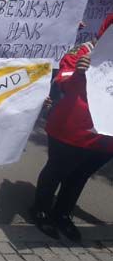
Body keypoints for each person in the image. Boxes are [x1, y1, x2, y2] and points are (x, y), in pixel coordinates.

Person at [30, 15, 113, 242]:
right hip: (70, 129)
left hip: (105, 136)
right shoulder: (82, 51)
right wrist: (80, 71)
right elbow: (62, 82)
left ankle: (63, 213)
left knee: (80, 175)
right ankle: (41, 209)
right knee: (56, 170)